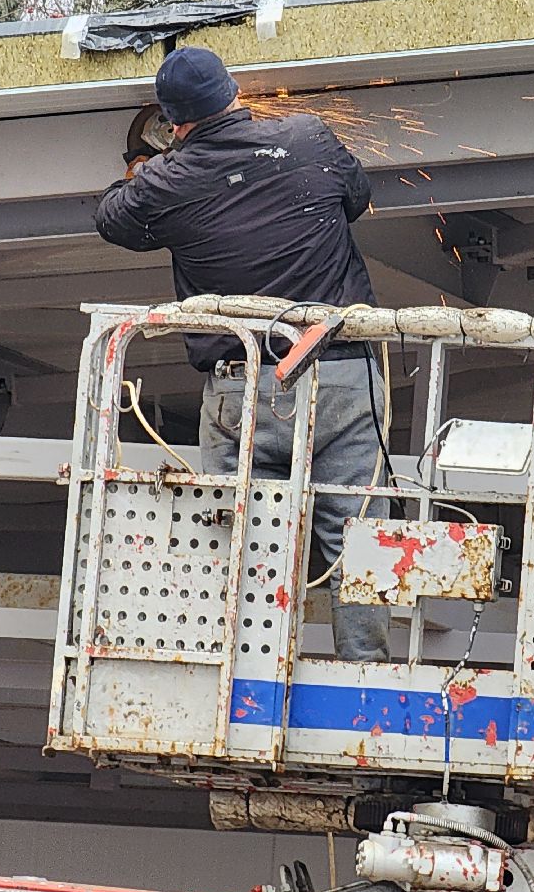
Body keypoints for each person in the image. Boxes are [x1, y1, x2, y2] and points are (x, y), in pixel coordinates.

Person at [95, 46, 390, 662]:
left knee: (245, 541)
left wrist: (146, 167)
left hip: (243, 389)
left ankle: (244, 668)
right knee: (356, 537)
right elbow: (356, 197)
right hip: (341, 377)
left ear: (176, 123)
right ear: (236, 95)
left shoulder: (167, 179)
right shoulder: (309, 138)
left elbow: (113, 220)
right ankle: (367, 672)